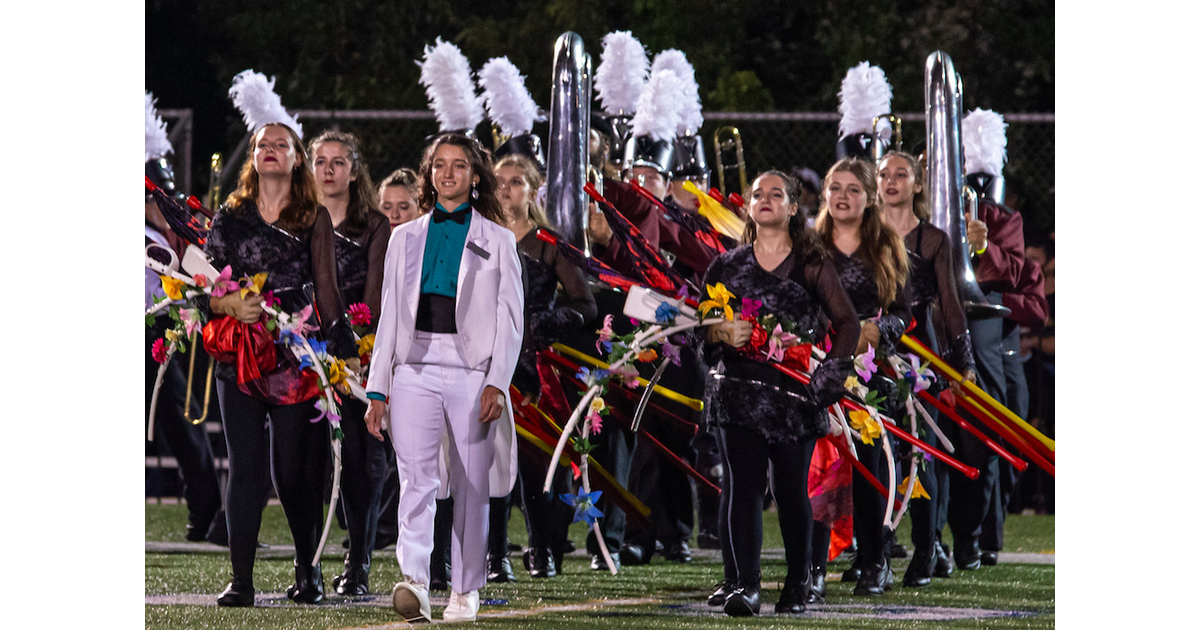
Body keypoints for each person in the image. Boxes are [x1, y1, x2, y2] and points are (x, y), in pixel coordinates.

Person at [364, 133, 523, 624]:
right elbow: (390, 314)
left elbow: (511, 318)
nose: (448, 173)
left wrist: (497, 380)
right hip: (412, 367)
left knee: (472, 483)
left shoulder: (498, 239)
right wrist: (377, 388)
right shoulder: (403, 235)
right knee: (416, 478)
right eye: (439, 165)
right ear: (430, 173)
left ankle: (466, 589)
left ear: (476, 176)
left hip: (472, 371)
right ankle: (414, 581)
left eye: (458, 166)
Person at [203, 122, 360, 607]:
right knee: (245, 467)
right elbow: (206, 283)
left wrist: (347, 348)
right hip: (241, 355)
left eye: (281, 145)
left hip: (297, 357)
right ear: (253, 157)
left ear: (296, 159)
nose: (271, 151)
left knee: (293, 473)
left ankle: (306, 568)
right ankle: (242, 580)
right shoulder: (230, 215)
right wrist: (231, 306)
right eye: (262, 145)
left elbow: (328, 293)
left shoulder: (313, 217)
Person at [700, 170, 860, 616]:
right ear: (748, 208)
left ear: (793, 208)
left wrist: (832, 372)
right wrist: (718, 334)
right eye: (757, 194)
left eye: (776, 194)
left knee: (790, 490)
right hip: (738, 395)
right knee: (745, 487)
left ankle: (797, 580)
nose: (765, 199)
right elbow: (704, 329)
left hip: (793, 399)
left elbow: (848, 324)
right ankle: (746, 587)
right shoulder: (724, 266)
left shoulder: (812, 265)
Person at [494, 153, 597, 579]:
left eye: (516, 181)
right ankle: (493, 553)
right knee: (489, 461)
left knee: (540, 463)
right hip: (488, 360)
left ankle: (543, 547)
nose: (505, 189)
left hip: (536, 367)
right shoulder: (477, 234)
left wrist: (548, 321)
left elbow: (586, 304)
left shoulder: (549, 242)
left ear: (533, 191)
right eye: (498, 181)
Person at [876, 151, 976, 587]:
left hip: (922, 353)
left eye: (902, 174)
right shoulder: (861, 234)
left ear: (917, 185)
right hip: (873, 350)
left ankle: (925, 548)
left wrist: (964, 362)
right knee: (877, 453)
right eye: (884, 174)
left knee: (922, 454)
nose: (892, 181)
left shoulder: (934, 239)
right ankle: (874, 551)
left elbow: (951, 305)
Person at [813, 156, 912, 597]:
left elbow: (904, 313)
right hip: (819, 367)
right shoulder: (810, 245)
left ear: (869, 197)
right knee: (819, 467)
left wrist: (879, 331)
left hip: (869, 373)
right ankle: (812, 565)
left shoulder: (887, 244)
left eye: (854, 189)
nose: (843, 196)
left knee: (869, 468)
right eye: (836, 187)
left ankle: (875, 560)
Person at [307, 130, 391, 596]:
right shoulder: (299, 220)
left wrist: (357, 350)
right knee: (309, 461)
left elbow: (373, 297)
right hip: (307, 354)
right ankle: (311, 562)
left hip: (359, 355)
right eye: (320, 161)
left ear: (354, 171)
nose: (328, 169)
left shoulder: (374, 226)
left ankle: (359, 561)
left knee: (362, 458)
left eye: (339, 161)